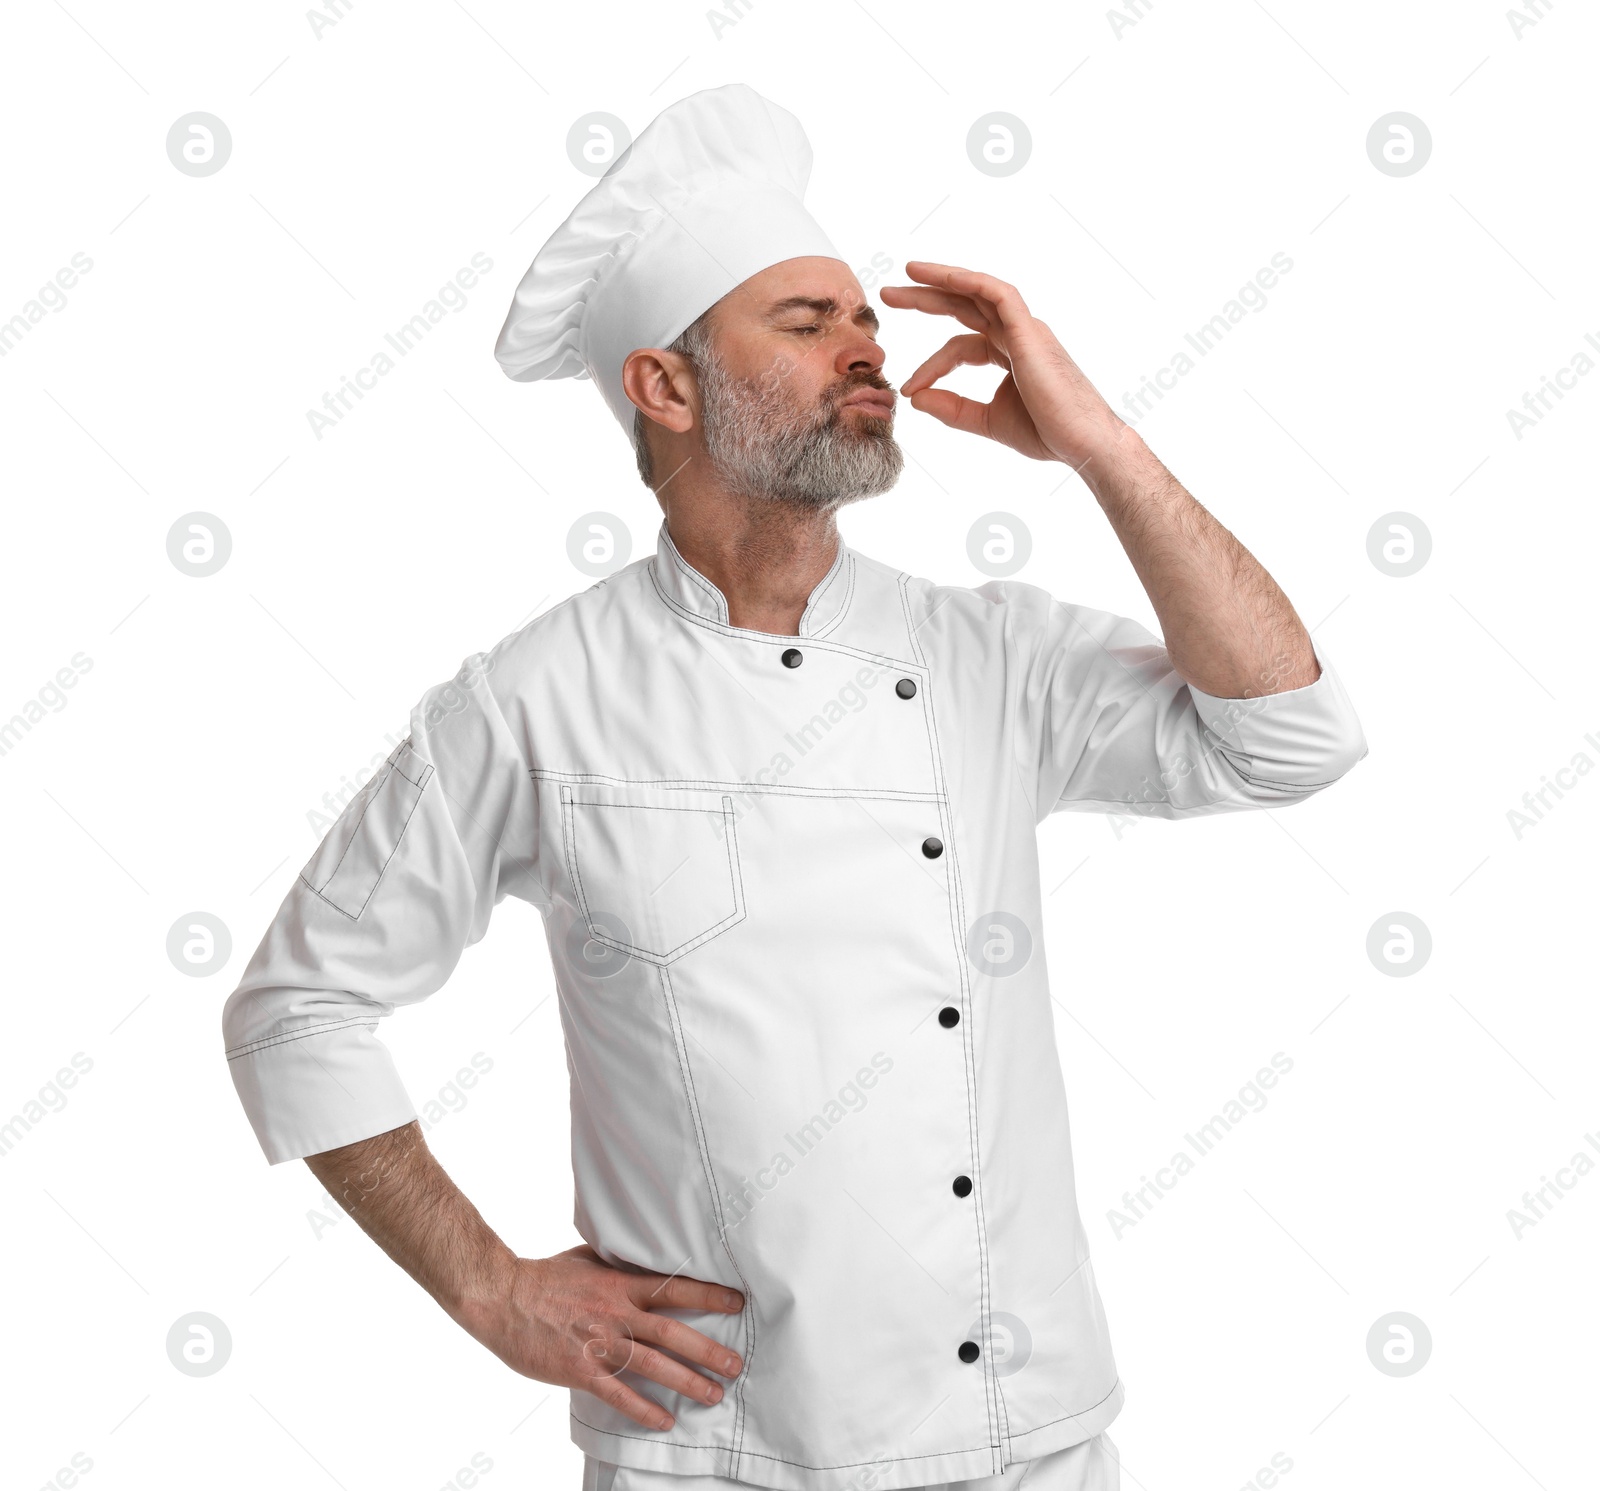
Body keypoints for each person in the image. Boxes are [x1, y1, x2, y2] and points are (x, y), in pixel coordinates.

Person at [222, 84, 1367, 1491]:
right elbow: (299, 1009)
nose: (867, 350)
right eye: (809, 322)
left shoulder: (987, 652)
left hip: (1029, 1438)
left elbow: (1291, 739)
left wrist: (1099, 449)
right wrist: (491, 1291)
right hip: (719, 1450)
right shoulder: (534, 700)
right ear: (668, 388)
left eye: (866, 318)